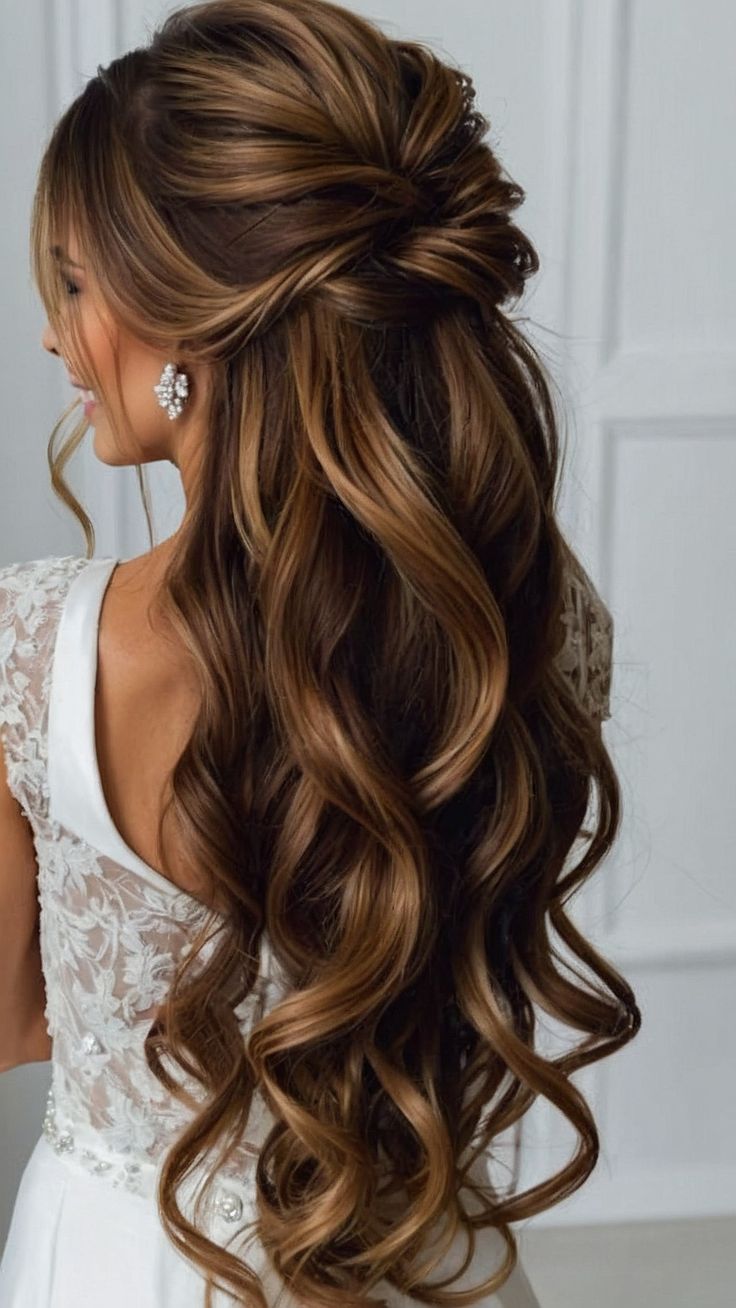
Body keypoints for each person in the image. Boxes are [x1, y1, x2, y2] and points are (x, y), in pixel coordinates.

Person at [0, 1, 640, 1304]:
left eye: (74, 283)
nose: (59, 336)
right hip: (417, 1252)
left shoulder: (28, 645)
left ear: (191, 324)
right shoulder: (532, 613)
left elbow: (8, 1023)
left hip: (129, 1263)